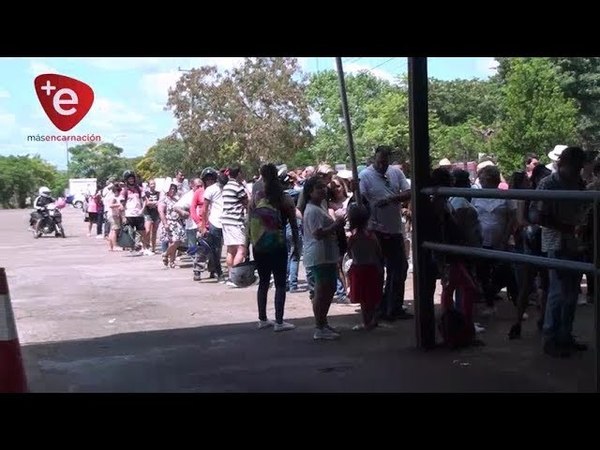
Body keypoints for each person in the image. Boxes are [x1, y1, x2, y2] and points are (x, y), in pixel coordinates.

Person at [536, 146, 590, 357]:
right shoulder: (548, 184)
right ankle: (550, 337)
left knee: (571, 292)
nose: (578, 171)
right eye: (575, 166)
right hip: (557, 243)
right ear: (564, 164)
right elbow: (540, 217)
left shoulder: (577, 183)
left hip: (575, 242)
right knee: (558, 292)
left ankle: (565, 335)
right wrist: (568, 228)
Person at [359, 145, 413, 321]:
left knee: (399, 268)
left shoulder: (396, 173)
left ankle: (394, 306)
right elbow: (360, 201)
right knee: (378, 270)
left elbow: (408, 192)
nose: (382, 165)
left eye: (385, 161)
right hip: (376, 229)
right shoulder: (365, 176)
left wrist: (392, 198)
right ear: (374, 158)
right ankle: (379, 307)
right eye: (379, 161)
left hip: (395, 228)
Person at [249, 163, 299, 332]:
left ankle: (262, 318)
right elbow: (293, 222)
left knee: (263, 282)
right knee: (280, 283)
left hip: (260, 245)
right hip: (277, 244)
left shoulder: (256, 196)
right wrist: (297, 245)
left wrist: (250, 242)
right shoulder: (282, 196)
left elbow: (250, 220)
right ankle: (279, 321)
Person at [303, 176, 346, 340]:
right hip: (319, 255)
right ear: (310, 192)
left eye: (323, 187)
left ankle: (323, 322)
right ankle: (319, 326)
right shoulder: (312, 210)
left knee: (328, 289)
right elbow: (318, 233)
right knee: (322, 290)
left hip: (326, 255)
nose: (322, 190)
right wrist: (336, 225)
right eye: (318, 188)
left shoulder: (318, 207)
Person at [347, 205, 383, 331]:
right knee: (372, 295)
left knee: (363, 298)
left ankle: (366, 322)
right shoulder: (372, 236)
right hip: (372, 267)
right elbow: (378, 252)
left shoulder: (352, 238)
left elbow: (350, 253)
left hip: (358, 269)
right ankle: (374, 319)